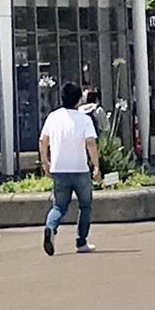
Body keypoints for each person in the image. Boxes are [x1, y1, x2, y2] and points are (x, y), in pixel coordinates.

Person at [38, 82, 101, 256]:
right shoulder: (84, 119)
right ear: (79, 100)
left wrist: (45, 162)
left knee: (59, 206)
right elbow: (90, 143)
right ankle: (81, 241)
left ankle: (51, 227)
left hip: (59, 168)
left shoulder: (53, 117)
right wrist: (96, 166)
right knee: (85, 205)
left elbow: (43, 140)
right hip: (80, 168)